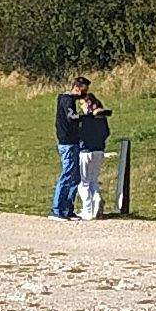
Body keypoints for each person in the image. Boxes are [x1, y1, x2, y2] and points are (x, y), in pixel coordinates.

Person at [50, 77, 110, 220]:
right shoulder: (67, 100)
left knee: (76, 177)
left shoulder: (70, 101)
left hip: (74, 142)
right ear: (77, 87)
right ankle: (57, 209)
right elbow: (72, 117)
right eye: (83, 91)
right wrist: (89, 116)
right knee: (68, 174)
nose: (84, 94)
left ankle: (68, 209)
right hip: (67, 142)